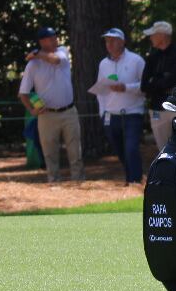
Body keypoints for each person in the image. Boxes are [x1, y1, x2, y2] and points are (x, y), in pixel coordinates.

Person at [17, 26, 82, 183]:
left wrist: (37, 54)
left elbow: (56, 60)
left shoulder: (62, 51)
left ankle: (79, 182)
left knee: (75, 151)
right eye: (50, 39)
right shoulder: (32, 66)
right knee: (50, 153)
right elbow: (23, 93)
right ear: (42, 41)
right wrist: (32, 110)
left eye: (55, 37)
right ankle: (54, 182)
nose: (55, 41)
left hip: (69, 111)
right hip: (46, 115)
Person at [95, 27, 148, 184]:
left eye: (113, 40)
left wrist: (126, 87)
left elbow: (145, 86)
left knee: (131, 148)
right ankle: (130, 178)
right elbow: (100, 90)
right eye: (107, 41)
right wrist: (102, 112)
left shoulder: (136, 60)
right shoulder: (103, 64)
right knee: (120, 150)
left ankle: (135, 181)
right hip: (110, 114)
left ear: (122, 42)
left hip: (132, 112)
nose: (109, 44)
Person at [141, 21, 176, 153]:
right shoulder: (152, 57)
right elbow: (144, 85)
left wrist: (156, 81)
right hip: (157, 108)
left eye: (153, 34)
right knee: (163, 150)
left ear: (162, 36)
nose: (150, 38)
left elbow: (174, 81)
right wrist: (162, 80)